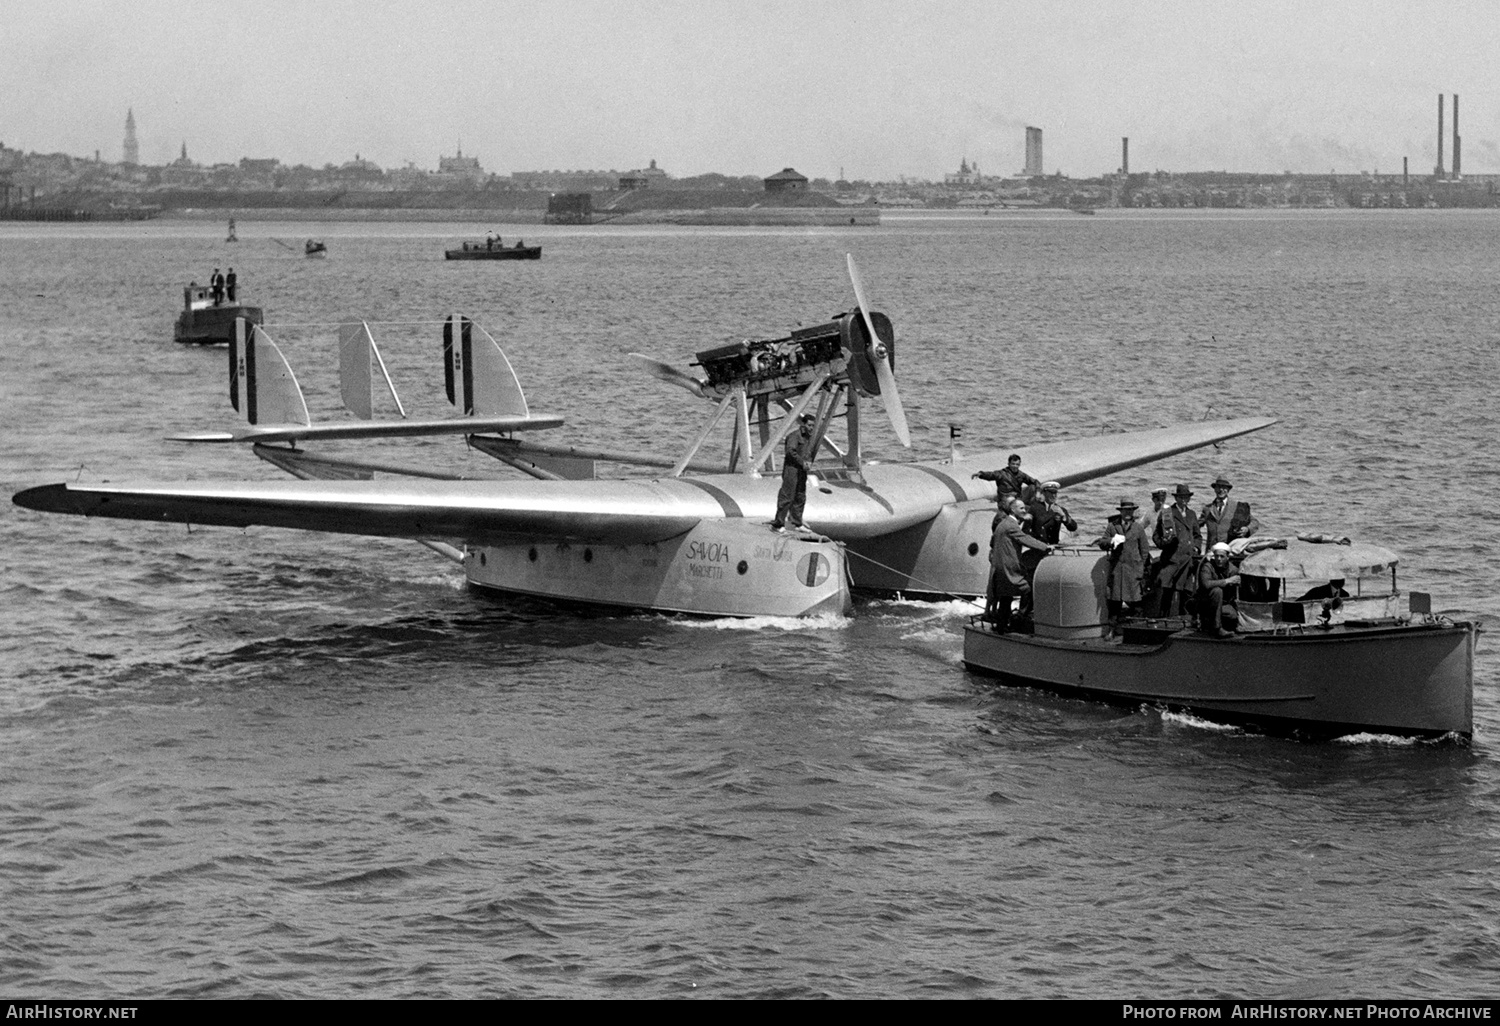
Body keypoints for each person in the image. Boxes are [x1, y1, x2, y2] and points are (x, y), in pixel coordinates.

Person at [987, 498, 1051, 631]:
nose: (1024, 511)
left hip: (1000, 569)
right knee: (1028, 589)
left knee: (1006, 597)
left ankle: (1002, 625)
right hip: (1008, 569)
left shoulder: (1003, 523)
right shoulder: (1011, 525)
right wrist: (1046, 547)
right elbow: (1025, 539)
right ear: (1012, 510)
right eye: (1021, 508)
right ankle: (1020, 618)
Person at [1095, 497, 1153, 622]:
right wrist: (1112, 541)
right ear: (1121, 511)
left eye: (1130, 510)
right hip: (1118, 571)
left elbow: (1144, 550)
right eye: (1125, 510)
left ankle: (1136, 630)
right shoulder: (1113, 526)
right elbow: (1102, 542)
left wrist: (1140, 568)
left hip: (1133, 572)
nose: (1128, 513)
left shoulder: (1138, 528)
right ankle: (1112, 629)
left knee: (1136, 604)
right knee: (1115, 603)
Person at [1152, 483, 1201, 616]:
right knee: (1167, 592)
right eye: (1181, 497)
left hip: (1187, 560)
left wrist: (1196, 547)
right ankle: (1163, 620)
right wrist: (1164, 543)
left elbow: (1197, 535)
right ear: (1176, 498)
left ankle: (1185, 622)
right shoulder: (1168, 512)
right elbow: (1156, 535)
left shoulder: (1192, 514)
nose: (1184, 500)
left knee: (1186, 593)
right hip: (1171, 559)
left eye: (1186, 497)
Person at [1022, 481, 1076, 580]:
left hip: (1053, 548)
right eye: (1051, 493)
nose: (1054, 495)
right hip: (1038, 548)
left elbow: (1073, 527)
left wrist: (1064, 517)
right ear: (1044, 493)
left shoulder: (1060, 510)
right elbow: (1025, 531)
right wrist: (1035, 542)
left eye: (1055, 493)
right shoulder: (1035, 508)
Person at [770, 414, 816, 532]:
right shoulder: (794, 436)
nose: (811, 428)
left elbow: (808, 452)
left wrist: (808, 463)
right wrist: (802, 462)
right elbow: (790, 452)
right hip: (792, 469)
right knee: (787, 496)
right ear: (803, 424)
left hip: (801, 470)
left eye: (813, 426)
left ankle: (797, 522)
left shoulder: (808, 438)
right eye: (809, 425)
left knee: (800, 496)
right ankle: (778, 524)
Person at [1200, 475, 1260, 548]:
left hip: (1232, 549)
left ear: (1228, 490)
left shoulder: (1237, 507)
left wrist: (1247, 529)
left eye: (1224, 487)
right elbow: (1196, 525)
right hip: (1212, 550)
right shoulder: (1207, 509)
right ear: (1214, 489)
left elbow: (1254, 522)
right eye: (1218, 487)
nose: (1221, 490)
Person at [1197, 542, 1242, 637]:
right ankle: (1216, 628)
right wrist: (1227, 581)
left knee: (1232, 615)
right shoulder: (1208, 567)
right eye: (1216, 556)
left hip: (1223, 603)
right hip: (1205, 602)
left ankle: (1209, 621)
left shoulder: (1233, 570)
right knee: (1217, 591)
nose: (1219, 559)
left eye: (1222, 556)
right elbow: (1206, 584)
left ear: (1227, 557)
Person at [973, 453, 1040, 508]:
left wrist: (1039, 492)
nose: (1015, 466)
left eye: (1017, 464)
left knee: (1033, 487)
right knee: (1029, 510)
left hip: (1017, 498)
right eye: (1013, 464)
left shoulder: (1021, 475)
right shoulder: (1001, 474)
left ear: (1019, 465)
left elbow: (1034, 481)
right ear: (1008, 464)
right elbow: (991, 475)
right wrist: (981, 474)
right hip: (1005, 501)